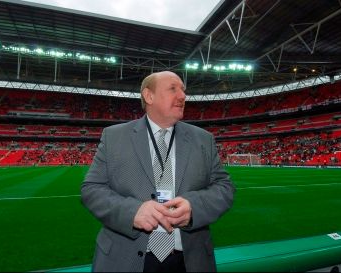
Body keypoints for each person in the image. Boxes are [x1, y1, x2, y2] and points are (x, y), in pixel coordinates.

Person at [81, 71, 235, 272]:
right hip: (124, 260)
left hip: (190, 261)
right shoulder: (114, 137)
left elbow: (225, 188)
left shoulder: (203, 139)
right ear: (149, 96)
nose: (182, 96)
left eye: (183, 90)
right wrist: (132, 212)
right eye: (173, 89)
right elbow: (91, 190)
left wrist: (193, 207)